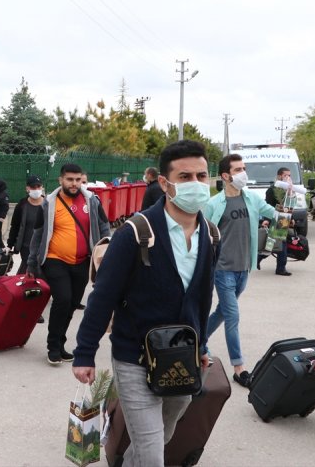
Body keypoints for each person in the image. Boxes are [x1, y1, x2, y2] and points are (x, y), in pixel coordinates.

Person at [72, 140, 217, 467]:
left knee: (159, 436)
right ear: (165, 183)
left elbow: (203, 297)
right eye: (185, 177)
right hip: (134, 357)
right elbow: (103, 296)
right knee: (152, 451)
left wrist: (202, 344)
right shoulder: (136, 233)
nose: (195, 183)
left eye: (201, 175)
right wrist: (84, 352)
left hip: (181, 356)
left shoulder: (210, 234)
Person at [205, 154, 278, 387]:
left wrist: (286, 212)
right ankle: (239, 368)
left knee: (223, 311)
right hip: (222, 268)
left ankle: (198, 340)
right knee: (232, 316)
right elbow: (201, 234)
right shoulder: (214, 204)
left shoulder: (251, 198)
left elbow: (273, 213)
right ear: (226, 176)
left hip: (244, 267)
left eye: (244, 168)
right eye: (238, 170)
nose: (243, 173)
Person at [27, 163, 111, 364]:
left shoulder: (92, 201)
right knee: (63, 300)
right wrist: (31, 262)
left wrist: (106, 252)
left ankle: (60, 342)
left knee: (73, 303)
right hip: (55, 260)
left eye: (77, 179)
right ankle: (53, 347)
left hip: (82, 262)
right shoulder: (49, 203)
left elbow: (104, 227)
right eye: (69, 179)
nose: (74, 183)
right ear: (61, 180)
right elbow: (38, 234)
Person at [261, 167, 304, 275]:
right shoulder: (272, 189)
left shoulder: (288, 190)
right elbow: (267, 206)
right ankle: (280, 268)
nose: (288, 178)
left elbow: (289, 206)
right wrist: (266, 220)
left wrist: (291, 219)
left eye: (289, 175)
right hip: (276, 218)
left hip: (285, 218)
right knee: (281, 244)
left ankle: (258, 259)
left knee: (272, 244)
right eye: (285, 175)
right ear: (279, 176)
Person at [8, 175, 46, 274]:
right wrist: (9, 245)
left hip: (44, 245)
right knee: (28, 268)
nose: (36, 189)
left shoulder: (48, 204)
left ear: (42, 187)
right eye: (33, 187)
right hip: (26, 246)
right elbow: (15, 226)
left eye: (38, 186)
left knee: (42, 270)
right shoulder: (22, 205)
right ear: (27, 188)